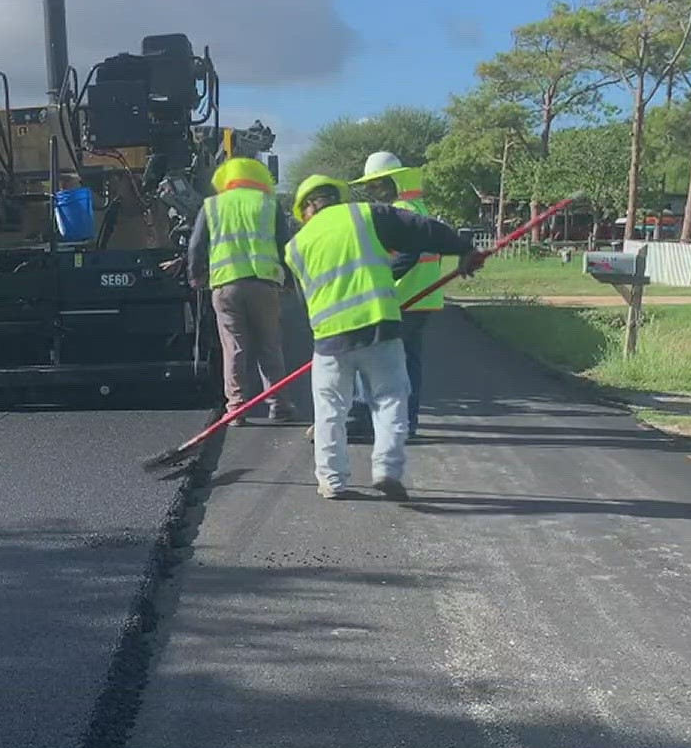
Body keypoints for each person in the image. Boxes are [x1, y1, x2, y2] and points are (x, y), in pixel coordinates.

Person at [287, 174, 482, 501]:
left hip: (330, 341)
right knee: (391, 399)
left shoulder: (295, 246)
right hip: (380, 329)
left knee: (329, 410)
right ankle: (387, 470)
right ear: (334, 197)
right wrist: (464, 249)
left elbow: (302, 300)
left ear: (307, 208)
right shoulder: (366, 215)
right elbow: (423, 229)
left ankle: (332, 482)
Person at [186, 156, 297, 423]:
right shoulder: (269, 204)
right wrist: (290, 281)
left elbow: (195, 246)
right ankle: (278, 405)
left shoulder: (212, 205)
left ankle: (236, 408)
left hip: (226, 285)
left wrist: (195, 276)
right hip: (264, 284)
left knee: (234, 347)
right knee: (269, 345)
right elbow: (286, 246)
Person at [351, 151, 441, 439]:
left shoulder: (401, 211)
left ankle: (372, 420)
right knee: (407, 364)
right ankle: (406, 425)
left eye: (377, 185)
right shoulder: (417, 207)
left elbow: (408, 255)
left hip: (402, 299)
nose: (373, 191)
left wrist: (380, 280)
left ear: (393, 182)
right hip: (420, 298)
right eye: (370, 186)